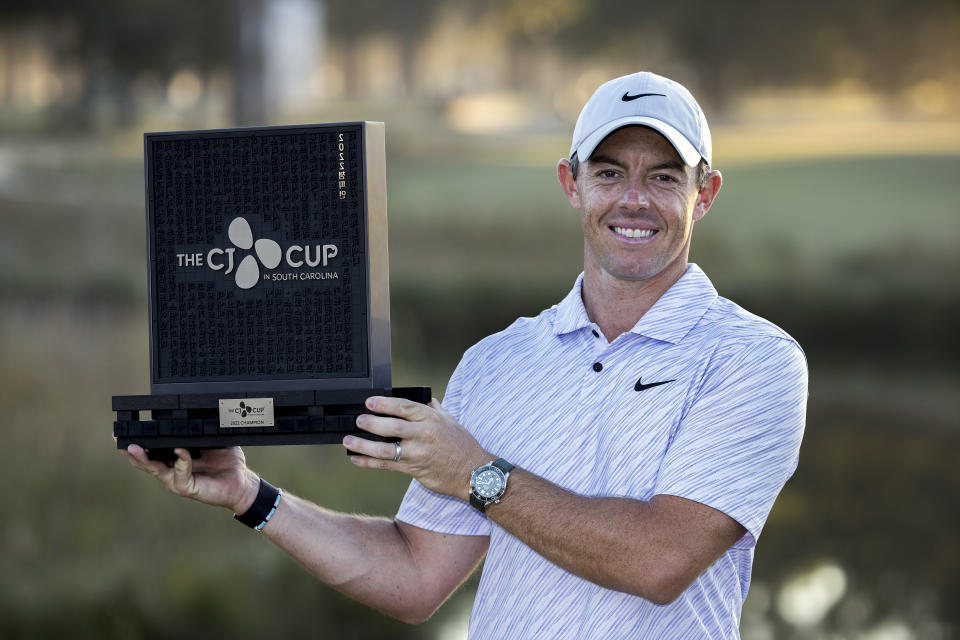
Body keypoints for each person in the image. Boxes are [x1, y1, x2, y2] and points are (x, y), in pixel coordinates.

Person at [121, 71, 807, 639]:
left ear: (704, 193)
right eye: (609, 172)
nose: (633, 200)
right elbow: (416, 578)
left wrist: (477, 472)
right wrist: (251, 495)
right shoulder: (496, 362)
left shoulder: (753, 361)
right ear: (571, 183)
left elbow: (661, 559)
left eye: (663, 177)